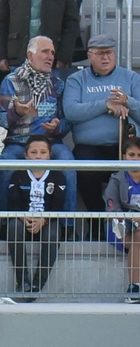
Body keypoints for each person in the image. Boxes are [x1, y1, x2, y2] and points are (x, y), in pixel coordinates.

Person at [0, 35, 75, 209]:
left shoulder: (58, 84)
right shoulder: (10, 81)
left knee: (67, 160)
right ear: (30, 56)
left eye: (52, 53)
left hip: (50, 143)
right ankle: (3, 224)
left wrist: (57, 127)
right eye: (45, 52)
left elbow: (67, 120)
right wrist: (16, 113)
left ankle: (68, 227)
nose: (50, 57)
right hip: (18, 143)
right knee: (6, 164)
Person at [64, 35, 140, 214]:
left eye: (109, 53)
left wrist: (128, 102)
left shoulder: (130, 78)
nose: (106, 57)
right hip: (90, 148)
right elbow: (71, 111)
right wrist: (105, 104)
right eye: (100, 53)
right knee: (85, 170)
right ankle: (97, 220)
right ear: (90, 55)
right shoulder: (76, 80)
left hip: (126, 146)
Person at [2, 135, 66, 298]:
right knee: (14, 227)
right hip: (23, 218)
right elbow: (13, 200)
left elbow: (57, 205)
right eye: (34, 152)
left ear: (50, 155)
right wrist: (23, 216)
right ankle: (23, 281)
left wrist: (43, 220)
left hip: (47, 219)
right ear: (26, 155)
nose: (38, 156)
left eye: (43, 152)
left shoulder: (57, 176)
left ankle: (38, 283)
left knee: (52, 234)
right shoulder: (18, 175)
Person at [101, 134, 140, 303]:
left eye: (139, 155)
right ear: (124, 156)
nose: (136, 159)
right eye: (132, 155)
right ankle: (134, 288)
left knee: (138, 237)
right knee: (136, 238)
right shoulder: (117, 178)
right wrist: (133, 219)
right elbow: (113, 209)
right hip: (119, 223)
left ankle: (134, 287)